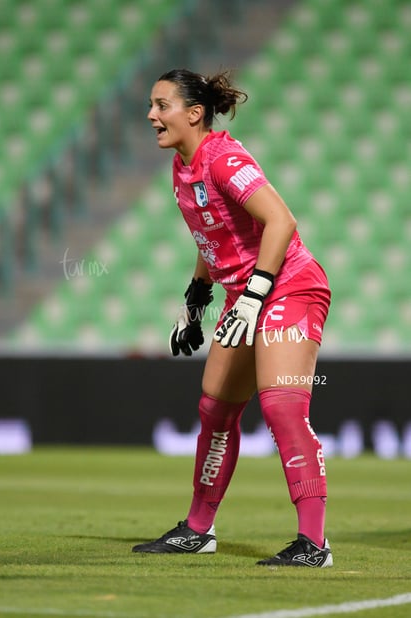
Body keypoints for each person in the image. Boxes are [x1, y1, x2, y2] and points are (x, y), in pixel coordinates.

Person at [132, 68, 333, 567]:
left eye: (162, 105)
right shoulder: (184, 167)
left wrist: (255, 292)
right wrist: (196, 301)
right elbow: (212, 236)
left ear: (194, 113)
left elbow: (281, 221)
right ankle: (198, 529)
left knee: (283, 407)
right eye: (152, 106)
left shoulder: (222, 157)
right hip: (244, 295)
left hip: (290, 286)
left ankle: (314, 544)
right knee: (215, 411)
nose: (152, 115)